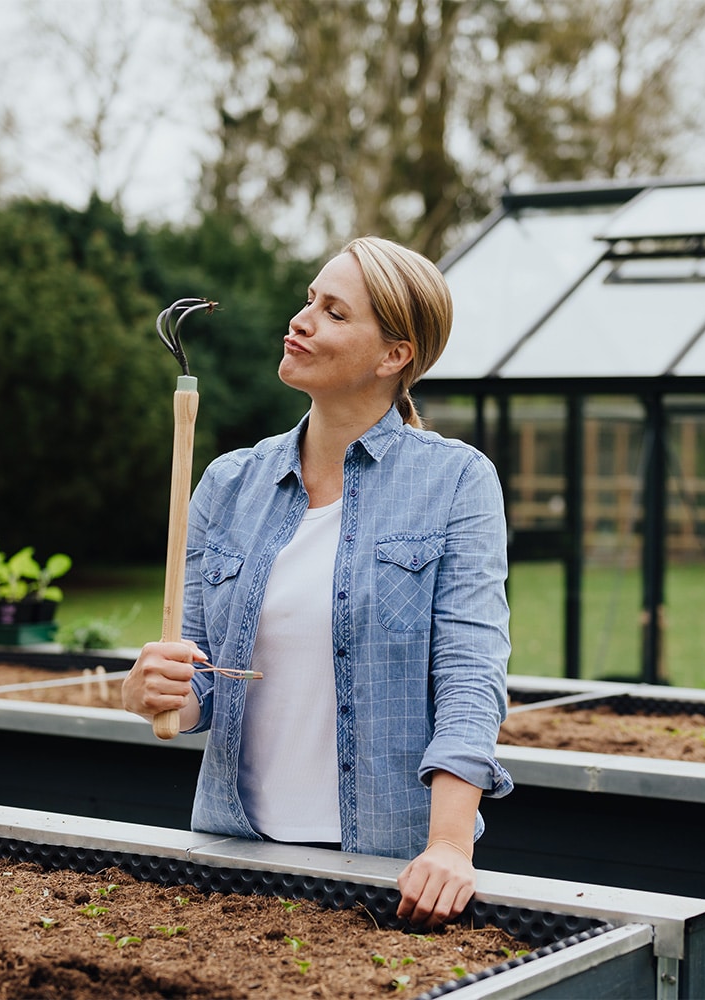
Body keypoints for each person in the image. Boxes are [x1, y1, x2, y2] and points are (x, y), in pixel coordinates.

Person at [123, 235, 512, 928]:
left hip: (391, 872)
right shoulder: (228, 483)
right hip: (232, 859)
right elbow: (199, 690)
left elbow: (469, 676)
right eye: (309, 300)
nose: (300, 321)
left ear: (395, 356)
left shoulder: (455, 482)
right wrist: (156, 691)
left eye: (334, 312)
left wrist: (449, 845)